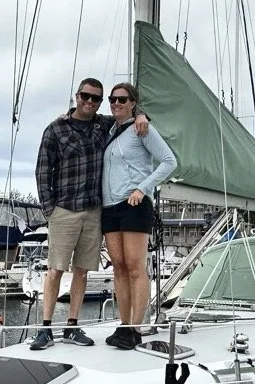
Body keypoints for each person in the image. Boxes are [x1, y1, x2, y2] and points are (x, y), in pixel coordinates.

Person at [31, 78, 148, 350]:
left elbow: (127, 116)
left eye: (96, 98)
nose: (90, 101)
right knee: (55, 270)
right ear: (77, 95)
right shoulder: (55, 129)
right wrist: (50, 210)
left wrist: (142, 114)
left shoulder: (103, 124)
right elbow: (42, 171)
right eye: (86, 95)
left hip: (94, 210)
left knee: (82, 271)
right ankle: (46, 328)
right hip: (64, 209)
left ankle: (72, 325)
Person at [100, 81, 176, 349]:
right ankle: (123, 325)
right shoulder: (110, 129)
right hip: (109, 207)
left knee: (135, 267)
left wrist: (143, 189)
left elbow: (169, 161)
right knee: (118, 267)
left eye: (122, 100)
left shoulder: (141, 128)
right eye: (113, 99)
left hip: (133, 204)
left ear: (133, 103)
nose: (116, 104)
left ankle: (135, 327)